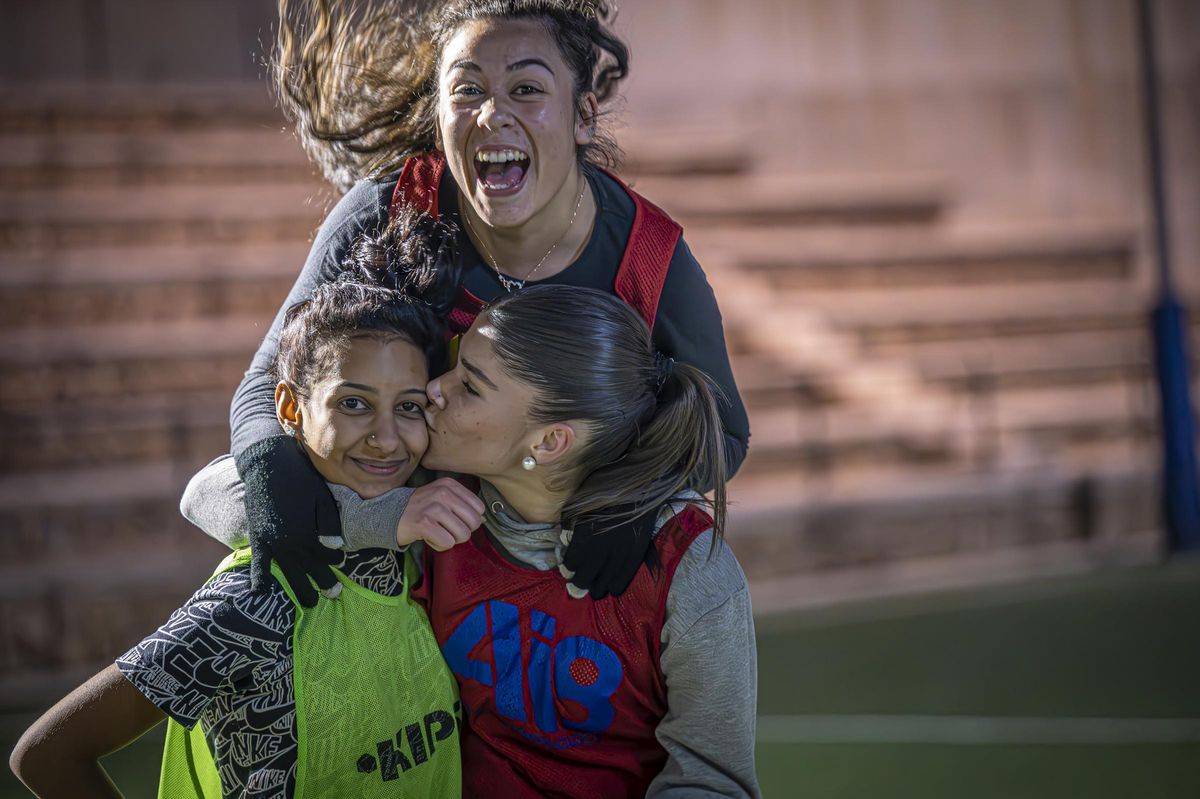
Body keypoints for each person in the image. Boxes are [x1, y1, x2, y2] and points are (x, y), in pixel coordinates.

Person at [234, 0, 751, 603]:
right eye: (467, 90)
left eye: (526, 88)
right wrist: (273, 473)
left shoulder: (650, 256)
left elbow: (726, 435)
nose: (492, 114)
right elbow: (264, 388)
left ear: (583, 115)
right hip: (404, 560)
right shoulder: (387, 209)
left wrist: (629, 498)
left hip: (550, 585)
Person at [188, 278, 761, 797]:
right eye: (455, 367)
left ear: (549, 442)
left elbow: (712, 783)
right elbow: (208, 493)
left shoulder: (687, 566)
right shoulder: (431, 495)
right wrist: (386, 518)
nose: (434, 388)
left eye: (471, 386)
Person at [9, 210, 469, 799]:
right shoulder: (257, 600)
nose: (385, 438)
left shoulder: (418, 550)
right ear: (290, 408)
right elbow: (48, 754)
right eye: (353, 404)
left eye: (408, 407)